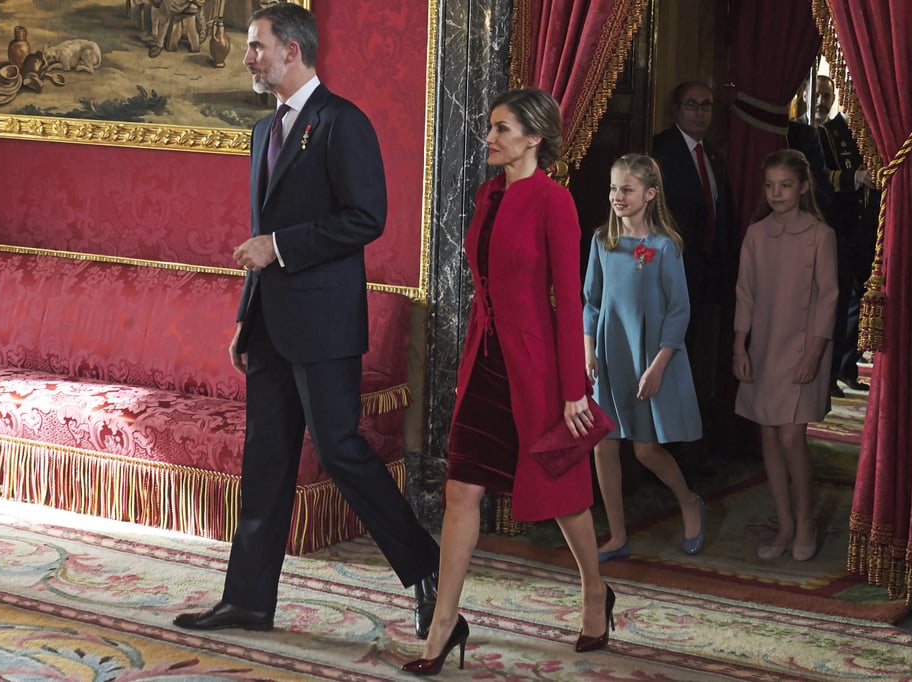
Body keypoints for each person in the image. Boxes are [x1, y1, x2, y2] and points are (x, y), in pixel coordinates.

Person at [173, 2, 440, 638]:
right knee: (265, 461)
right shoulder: (265, 132)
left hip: (322, 326)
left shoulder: (342, 122)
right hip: (268, 324)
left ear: (292, 49)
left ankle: (426, 565)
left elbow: (365, 217)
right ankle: (247, 601)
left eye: (256, 46)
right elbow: (258, 235)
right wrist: (245, 315)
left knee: (341, 451)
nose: (248, 57)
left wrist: (281, 247)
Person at [402, 88, 614, 676]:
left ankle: (595, 594)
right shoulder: (488, 194)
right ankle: (443, 626)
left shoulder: (555, 201)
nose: (489, 138)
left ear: (533, 137)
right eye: (490, 127)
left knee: (563, 493)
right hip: (484, 362)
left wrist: (576, 388)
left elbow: (568, 301)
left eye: (501, 129)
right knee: (460, 490)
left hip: (538, 369)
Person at [583, 153, 704, 562]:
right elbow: (591, 302)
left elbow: (679, 310)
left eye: (627, 189)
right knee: (603, 445)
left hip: (647, 359)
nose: (618, 196)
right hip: (607, 357)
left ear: (650, 194)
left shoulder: (664, 247)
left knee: (644, 450)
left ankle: (689, 501)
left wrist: (659, 365)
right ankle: (617, 534)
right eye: (614, 188)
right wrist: (587, 349)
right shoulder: (603, 241)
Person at [732, 149, 837, 562]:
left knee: (793, 435)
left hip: (806, 346)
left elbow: (829, 297)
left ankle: (806, 522)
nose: (777, 193)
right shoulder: (756, 234)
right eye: (770, 185)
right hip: (764, 346)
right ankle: (786, 525)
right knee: (770, 435)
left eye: (786, 185)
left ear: (804, 187)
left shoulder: (820, 235)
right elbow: (745, 292)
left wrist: (815, 351)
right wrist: (739, 344)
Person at [651, 81, 734, 464]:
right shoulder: (660, 150)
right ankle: (665, 448)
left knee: (696, 360)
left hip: (704, 280)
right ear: (676, 108)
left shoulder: (712, 155)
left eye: (706, 105)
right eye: (691, 104)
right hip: (670, 277)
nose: (700, 112)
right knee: (667, 360)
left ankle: (692, 446)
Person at [812, 75, 878, 396]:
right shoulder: (827, 134)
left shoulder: (878, 135)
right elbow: (820, 178)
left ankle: (847, 366)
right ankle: (828, 372)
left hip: (868, 229)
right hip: (838, 229)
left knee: (862, 301)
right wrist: (855, 177)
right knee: (835, 305)